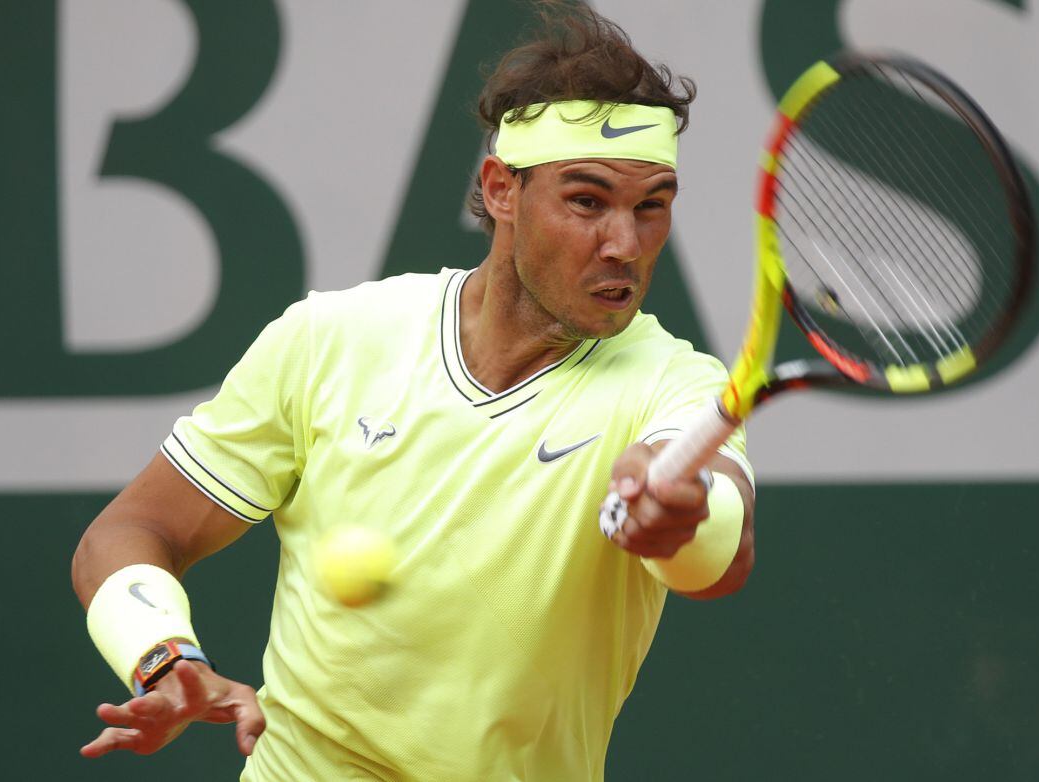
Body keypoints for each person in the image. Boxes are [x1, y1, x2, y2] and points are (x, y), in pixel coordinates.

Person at [71, 4, 756, 780]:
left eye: (651, 206)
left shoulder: (678, 385)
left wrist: (678, 520)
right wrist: (161, 655)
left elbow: (719, 553)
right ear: (501, 190)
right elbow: (130, 530)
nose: (624, 245)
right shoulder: (330, 339)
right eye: (587, 201)